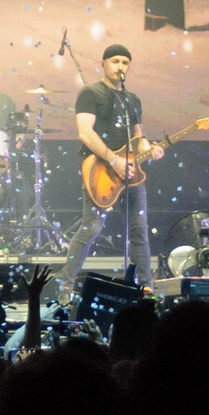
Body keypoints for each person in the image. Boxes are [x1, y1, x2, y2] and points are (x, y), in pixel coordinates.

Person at [63, 45, 162, 280]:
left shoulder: (132, 100)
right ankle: (64, 283)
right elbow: (85, 133)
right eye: (115, 61)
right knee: (92, 227)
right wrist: (113, 159)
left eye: (125, 62)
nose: (120, 67)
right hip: (100, 169)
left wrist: (151, 149)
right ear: (103, 64)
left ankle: (145, 289)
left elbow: (139, 138)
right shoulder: (91, 94)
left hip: (130, 173)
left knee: (139, 232)